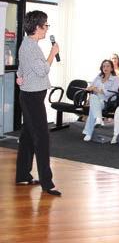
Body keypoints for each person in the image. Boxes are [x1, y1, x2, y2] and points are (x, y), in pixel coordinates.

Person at [15, 10, 61, 196]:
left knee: (27, 137)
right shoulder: (31, 47)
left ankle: (22, 175)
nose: (47, 29)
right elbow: (43, 70)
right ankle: (47, 183)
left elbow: (21, 66)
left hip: (31, 96)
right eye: (45, 26)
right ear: (37, 27)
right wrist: (53, 52)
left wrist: (19, 76)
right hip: (32, 98)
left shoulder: (28, 44)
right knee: (42, 139)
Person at [83, 59, 119, 140]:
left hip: (107, 101)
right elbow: (91, 86)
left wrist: (99, 90)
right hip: (97, 100)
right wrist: (90, 88)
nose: (105, 68)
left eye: (107, 66)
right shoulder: (98, 76)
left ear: (111, 68)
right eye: (103, 66)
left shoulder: (115, 78)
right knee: (93, 98)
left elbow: (113, 92)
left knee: (94, 104)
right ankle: (99, 118)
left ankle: (89, 132)